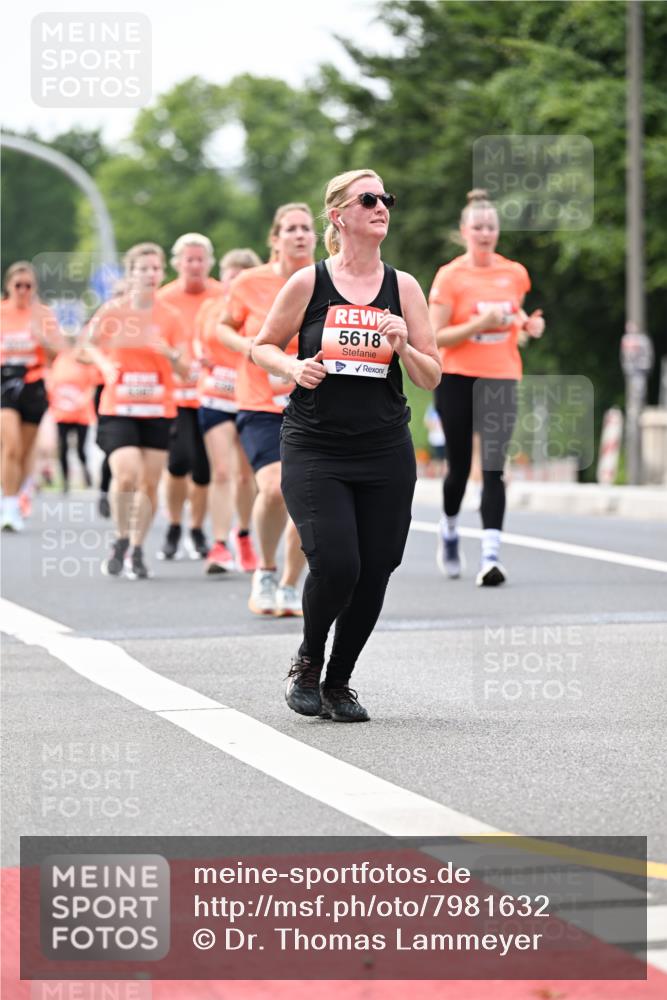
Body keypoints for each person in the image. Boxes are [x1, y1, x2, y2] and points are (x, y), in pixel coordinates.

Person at [252, 169, 440, 722]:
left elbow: (431, 376)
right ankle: (308, 660)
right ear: (339, 216)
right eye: (369, 198)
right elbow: (261, 346)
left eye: (387, 198)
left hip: (384, 447)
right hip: (316, 444)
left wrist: (405, 348)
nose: (382, 205)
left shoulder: (403, 286)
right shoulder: (309, 283)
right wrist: (292, 364)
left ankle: (339, 682)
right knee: (337, 563)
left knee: (378, 566)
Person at [428, 188, 545, 586]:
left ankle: (491, 556)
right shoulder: (450, 276)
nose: (484, 233)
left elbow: (515, 312)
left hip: (501, 376)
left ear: (497, 231)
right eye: (477, 227)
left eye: (490, 227)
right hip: (457, 378)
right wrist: (479, 324)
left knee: (494, 466)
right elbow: (433, 336)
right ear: (464, 231)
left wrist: (528, 324)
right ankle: (449, 529)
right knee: (459, 468)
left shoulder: (514, 272)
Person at [217, 205, 316, 616]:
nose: (299, 235)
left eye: (306, 229)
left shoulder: (325, 279)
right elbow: (223, 325)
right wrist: (252, 349)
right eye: (290, 229)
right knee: (274, 488)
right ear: (274, 239)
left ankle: (292, 584)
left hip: (312, 402)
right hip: (260, 403)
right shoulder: (249, 282)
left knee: (310, 498)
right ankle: (267, 571)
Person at [87, 242, 187, 579]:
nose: (149, 274)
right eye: (142, 268)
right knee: (126, 473)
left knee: (148, 484)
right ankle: (120, 537)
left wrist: (172, 355)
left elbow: (187, 370)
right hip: (119, 406)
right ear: (130, 274)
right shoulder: (113, 311)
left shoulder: (171, 316)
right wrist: (105, 366)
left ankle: (137, 547)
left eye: (155, 268)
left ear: (162, 273)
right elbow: (86, 346)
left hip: (158, 407)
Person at [194, 248, 261, 574]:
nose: (232, 282)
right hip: (215, 397)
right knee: (220, 471)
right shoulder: (211, 308)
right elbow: (198, 342)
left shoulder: (261, 309)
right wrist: (199, 358)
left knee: (245, 475)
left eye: (239, 277)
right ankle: (219, 545)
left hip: (250, 398)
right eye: (228, 275)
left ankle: (244, 535)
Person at [156, 234, 222, 560]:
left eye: (200, 259)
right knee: (178, 461)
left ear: (209, 262)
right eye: (189, 259)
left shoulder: (222, 295)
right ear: (177, 263)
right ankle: (173, 524)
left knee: (204, 469)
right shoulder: (164, 299)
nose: (195, 265)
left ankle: (196, 529)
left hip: (212, 394)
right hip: (175, 395)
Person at [1, 262, 64, 531]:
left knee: (26, 450)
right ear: (8, 287)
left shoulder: (44, 314)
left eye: (28, 286)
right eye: (18, 286)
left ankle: (18, 496)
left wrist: (42, 339)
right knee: (11, 445)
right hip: (5, 381)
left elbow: (57, 354)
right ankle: (8, 506)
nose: (23, 290)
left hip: (34, 383)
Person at [48, 336, 97, 491]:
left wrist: (84, 399)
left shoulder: (84, 361)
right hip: (62, 412)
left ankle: (85, 471)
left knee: (81, 449)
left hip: (81, 413)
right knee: (62, 447)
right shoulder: (60, 361)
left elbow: (92, 384)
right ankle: (65, 481)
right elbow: (52, 383)